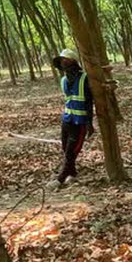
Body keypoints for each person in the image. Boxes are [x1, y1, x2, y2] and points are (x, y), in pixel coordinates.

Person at [48, 48, 94, 189]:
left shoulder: (84, 78)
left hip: (79, 122)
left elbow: (88, 102)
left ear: (73, 62)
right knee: (65, 147)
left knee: (71, 151)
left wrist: (89, 123)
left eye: (66, 60)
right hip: (67, 119)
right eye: (61, 61)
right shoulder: (63, 80)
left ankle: (60, 179)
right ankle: (72, 174)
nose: (63, 63)